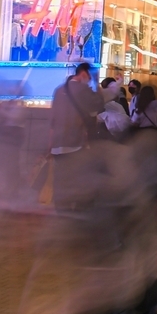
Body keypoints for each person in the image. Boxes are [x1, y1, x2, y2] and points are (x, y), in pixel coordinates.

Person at [48, 63, 106, 211]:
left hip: (58, 145)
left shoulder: (58, 90)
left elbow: (53, 119)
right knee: (78, 177)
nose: (89, 80)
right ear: (84, 74)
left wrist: (51, 143)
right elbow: (99, 105)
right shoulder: (82, 89)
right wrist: (96, 84)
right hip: (75, 143)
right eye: (89, 77)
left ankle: (61, 209)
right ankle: (76, 211)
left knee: (60, 179)